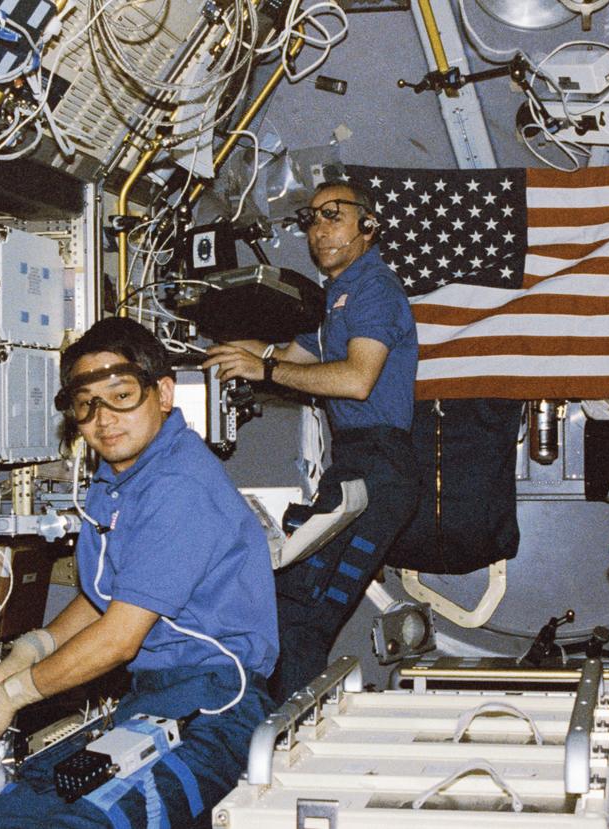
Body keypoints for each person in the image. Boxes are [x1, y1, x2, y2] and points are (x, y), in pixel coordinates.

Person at [0, 317, 278, 829]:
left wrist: (17, 695)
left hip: (213, 709)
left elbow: (118, 638)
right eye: (86, 403)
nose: (103, 418)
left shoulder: (179, 485)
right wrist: (31, 649)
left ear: (164, 393)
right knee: (22, 799)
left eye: (121, 395)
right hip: (157, 699)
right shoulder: (119, 478)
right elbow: (107, 593)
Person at [203, 179, 418, 702]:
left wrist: (265, 369)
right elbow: (290, 353)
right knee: (294, 604)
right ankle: (282, 729)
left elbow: (355, 379)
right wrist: (211, 346)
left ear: (368, 226)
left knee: (297, 611)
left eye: (334, 215)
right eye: (312, 219)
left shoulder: (374, 289)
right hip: (361, 464)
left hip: (380, 469)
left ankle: (280, 742)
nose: (319, 229)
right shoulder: (339, 297)